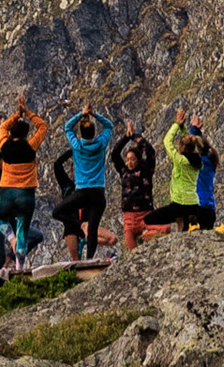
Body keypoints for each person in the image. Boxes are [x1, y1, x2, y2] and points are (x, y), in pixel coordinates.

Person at [0, 100, 47, 271]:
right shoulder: (31, 147)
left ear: (12, 132)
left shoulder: (4, 146)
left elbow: (2, 128)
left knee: (0, 219)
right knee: (23, 228)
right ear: (25, 134)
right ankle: (19, 267)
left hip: (7, 191)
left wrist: (17, 114)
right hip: (26, 193)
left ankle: (10, 238)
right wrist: (28, 112)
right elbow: (43, 126)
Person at [55, 102, 111, 261]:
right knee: (92, 229)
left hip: (82, 191)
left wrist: (82, 114)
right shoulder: (101, 144)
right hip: (98, 192)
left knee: (57, 212)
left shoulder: (77, 145)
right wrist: (94, 115)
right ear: (94, 132)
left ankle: (77, 225)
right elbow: (109, 126)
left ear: (81, 132)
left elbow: (67, 127)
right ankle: (89, 259)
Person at [146, 107, 205, 232]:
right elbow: (189, 141)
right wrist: (183, 128)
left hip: (180, 202)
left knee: (148, 219)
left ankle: (178, 223)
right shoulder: (198, 160)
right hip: (193, 202)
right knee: (184, 228)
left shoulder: (180, 161)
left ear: (183, 147)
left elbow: (167, 141)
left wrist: (177, 124)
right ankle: (185, 220)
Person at [116, 122, 156, 250]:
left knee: (165, 228)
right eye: (127, 159)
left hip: (145, 214)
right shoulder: (124, 171)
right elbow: (114, 154)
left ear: (138, 159)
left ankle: (145, 237)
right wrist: (126, 137)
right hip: (129, 217)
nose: (129, 162)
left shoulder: (146, 170)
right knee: (132, 249)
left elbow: (150, 151)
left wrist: (134, 136)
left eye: (132, 159)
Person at [190, 114, 219, 231]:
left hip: (198, 207)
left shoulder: (199, 163)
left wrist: (193, 130)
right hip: (210, 208)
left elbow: (189, 147)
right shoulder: (211, 160)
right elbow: (199, 146)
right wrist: (197, 132)